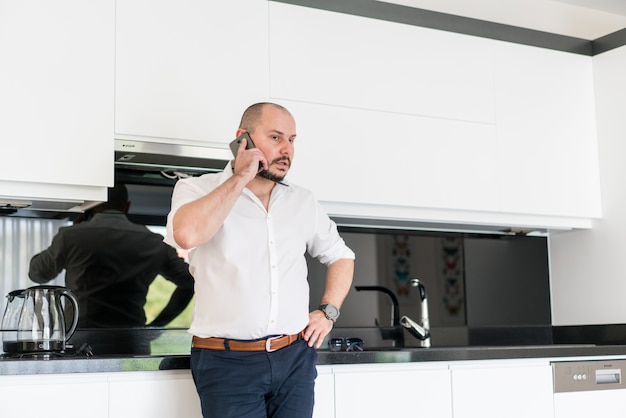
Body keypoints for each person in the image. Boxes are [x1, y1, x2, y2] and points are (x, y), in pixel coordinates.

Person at [164, 102, 355, 418]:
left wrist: (328, 312)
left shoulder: (302, 200)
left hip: (295, 360)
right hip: (227, 364)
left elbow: (341, 255)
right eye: (276, 138)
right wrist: (240, 178)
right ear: (244, 139)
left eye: (292, 140)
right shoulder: (195, 188)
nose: (287, 150)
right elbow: (186, 235)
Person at [28, 183, 194, 328]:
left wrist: (73, 231)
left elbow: (37, 274)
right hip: (131, 341)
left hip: (81, 341)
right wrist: (158, 325)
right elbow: (191, 282)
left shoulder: (71, 237)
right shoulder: (156, 242)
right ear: (126, 206)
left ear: (90, 207)